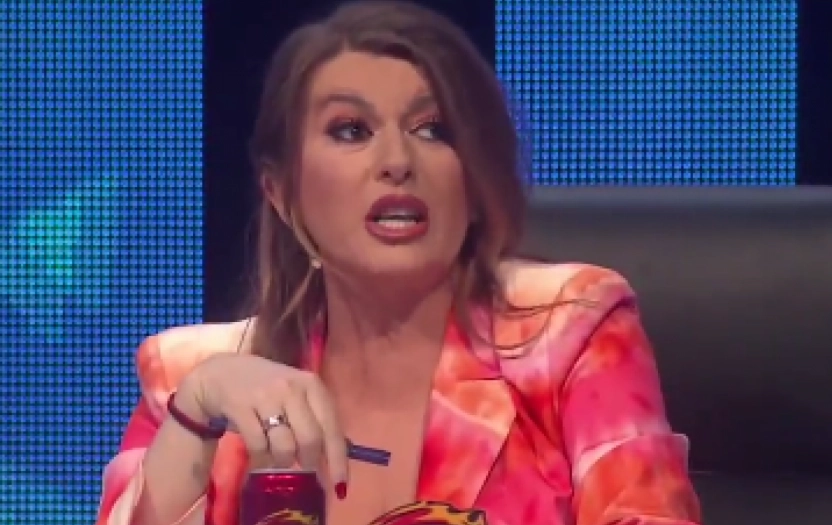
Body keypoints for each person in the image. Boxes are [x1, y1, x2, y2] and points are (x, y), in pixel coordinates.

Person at [94, 1, 702, 524]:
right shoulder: (191, 379)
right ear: (281, 194)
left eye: (433, 130)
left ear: (475, 181)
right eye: (351, 130)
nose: (397, 161)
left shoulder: (568, 336)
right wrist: (195, 419)